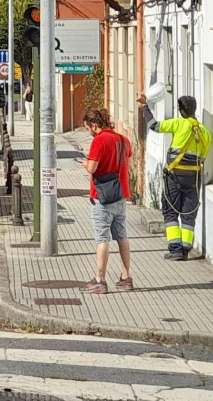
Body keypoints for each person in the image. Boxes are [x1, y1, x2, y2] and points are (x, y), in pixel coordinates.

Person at [138, 93, 212, 261]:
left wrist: (145, 106)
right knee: (188, 212)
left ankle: (175, 249)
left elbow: (154, 126)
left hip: (175, 175)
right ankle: (186, 249)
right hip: (194, 177)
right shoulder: (205, 132)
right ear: (194, 109)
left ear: (181, 110)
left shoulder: (178, 123)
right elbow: (203, 157)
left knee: (170, 211)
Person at [78, 108, 132, 294]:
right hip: (121, 194)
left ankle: (100, 279)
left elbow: (93, 168)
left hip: (102, 196)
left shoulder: (99, 141)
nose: (89, 132)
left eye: (88, 128)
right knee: (122, 236)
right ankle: (126, 277)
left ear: (94, 125)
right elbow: (128, 163)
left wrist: (86, 164)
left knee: (102, 238)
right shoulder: (123, 140)